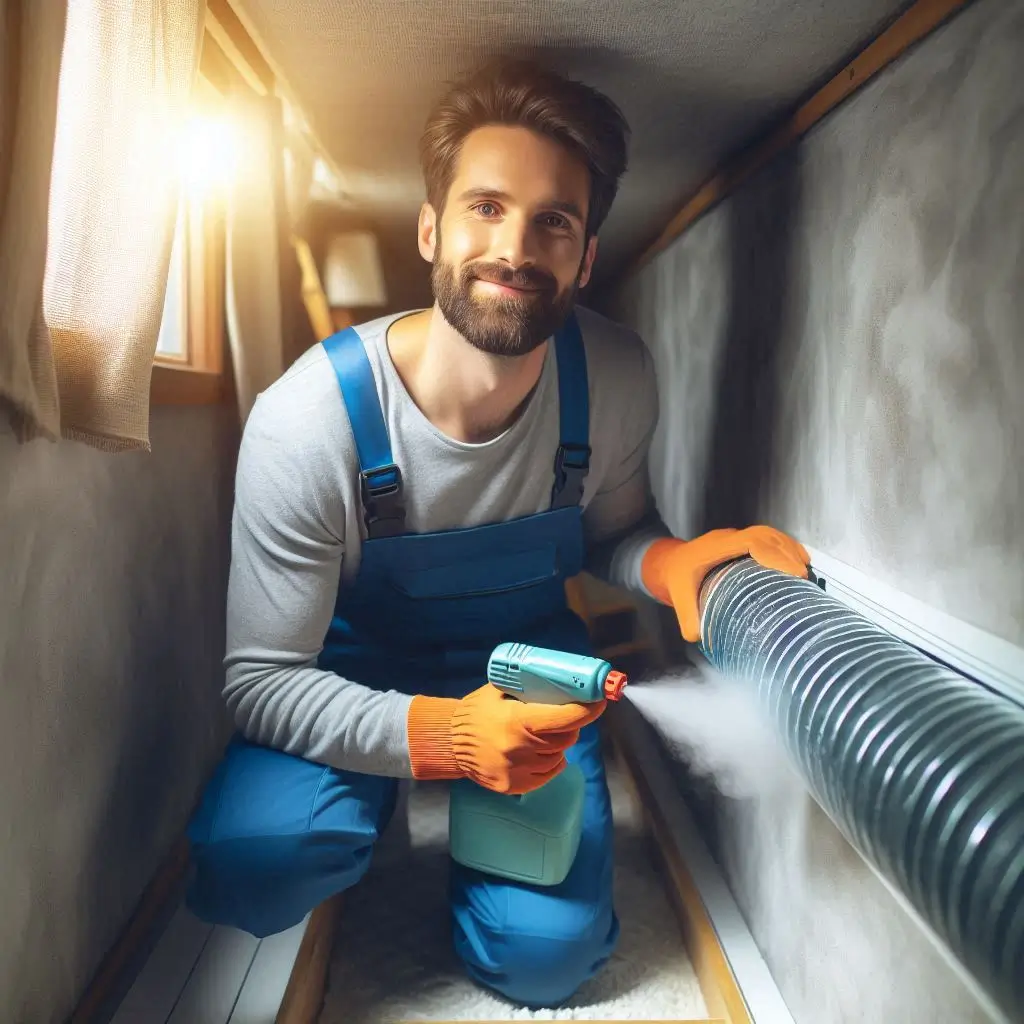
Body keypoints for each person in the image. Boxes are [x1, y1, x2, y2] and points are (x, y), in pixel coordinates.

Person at [185, 57, 810, 1009]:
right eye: (485, 207)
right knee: (259, 858)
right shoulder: (308, 419)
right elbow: (261, 681)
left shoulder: (615, 375)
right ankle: (372, 800)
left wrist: (671, 558)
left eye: (553, 220)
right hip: (355, 673)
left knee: (543, 961)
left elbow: (616, 531)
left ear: (586, 257)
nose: (515, 246)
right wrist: (443, 740)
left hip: (533, 676)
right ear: (430, 228)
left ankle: (489, 853)